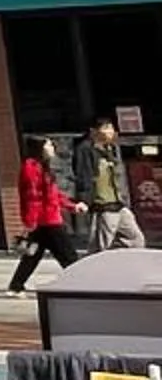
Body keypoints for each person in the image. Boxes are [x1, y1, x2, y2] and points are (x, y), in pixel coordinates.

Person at [9, 137, 80, 293]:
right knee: (68, 255)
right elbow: (32, 197)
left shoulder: (43, 167)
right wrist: (31, 222)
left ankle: (15, 286)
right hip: (47, 221)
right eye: (48, 144)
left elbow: (53, 194)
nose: (52, 147)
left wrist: (71, 206)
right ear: (39, 148)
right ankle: (80, 282)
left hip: (47, 219)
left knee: (32, 256)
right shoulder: (31, 167)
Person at [76, 119, 148, 253]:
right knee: (100, 247)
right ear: (94, 131)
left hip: (119, 204)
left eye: (111, 128)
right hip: (104, 205)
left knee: (136, 240)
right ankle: (95, 269)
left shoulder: (111, 148)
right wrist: (85, 200)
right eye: (106, 128)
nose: (110, 132)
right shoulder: (86, 149)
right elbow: (84, 175)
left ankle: (118, 263)